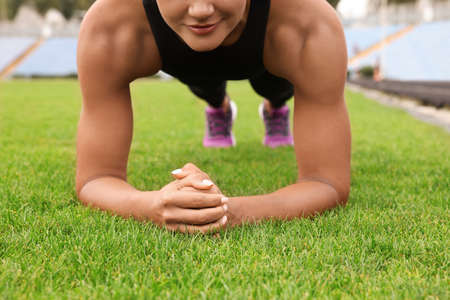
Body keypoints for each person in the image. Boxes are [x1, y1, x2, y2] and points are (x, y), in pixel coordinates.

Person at [76, 0, 351, 234]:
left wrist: (227, 212)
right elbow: (94, 179)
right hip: (189, 65)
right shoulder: (110, 24)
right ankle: (220, 108)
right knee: (206, 86)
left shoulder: (308, 21)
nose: (200, 9)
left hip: (269, 63)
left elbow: (327, 183)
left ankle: (274, 108)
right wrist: (151, 205)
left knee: (276, 89)